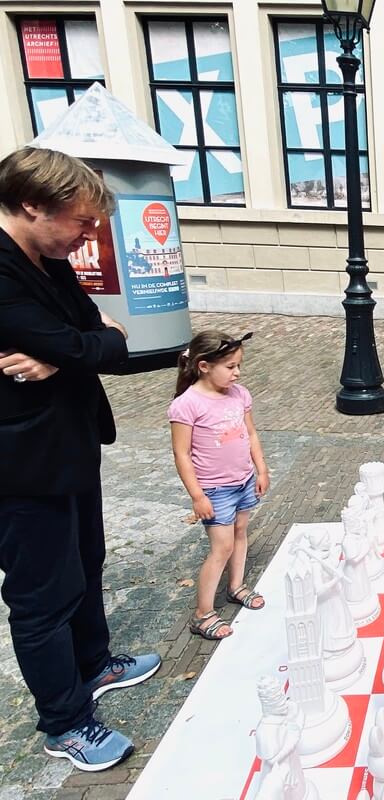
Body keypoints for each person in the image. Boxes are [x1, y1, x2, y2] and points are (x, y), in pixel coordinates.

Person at [0, 146, 161, 771]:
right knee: (43, 596)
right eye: (82, 221)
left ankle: (96, 664)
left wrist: (64, 352)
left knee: (87, 562)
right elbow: (91, 341)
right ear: (33, 204)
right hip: (19, 465)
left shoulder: (47, 257)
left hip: (69, 446)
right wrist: (81, 346)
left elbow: (110, 338)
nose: (91, 236)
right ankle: (65, 722)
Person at [169, 330, 270, 640]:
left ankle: (236, 585)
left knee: (241, 533)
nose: (236, 372)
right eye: (229, 366)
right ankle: (202, 614)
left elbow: (250, 433)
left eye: (238, 365)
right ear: (203, 366)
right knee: (221, 547)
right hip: (214, 489)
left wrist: (261, 469)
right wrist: (197, 496)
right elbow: (182, 454)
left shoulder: (240, 394)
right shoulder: (186, 405)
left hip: (243, 481)